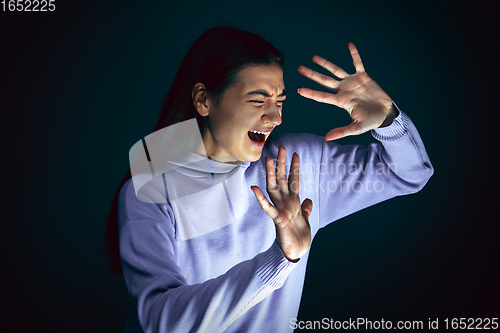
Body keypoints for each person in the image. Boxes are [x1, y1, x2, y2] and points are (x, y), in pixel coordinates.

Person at [103, 26, 433, 332]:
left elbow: (409, 173)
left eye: (280, 101)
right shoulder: (149, 190)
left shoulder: (297, 164)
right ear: (204, 100)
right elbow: (163, 321)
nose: (274, 117)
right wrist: (280, 258)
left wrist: (388, 121)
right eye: (258, 100)